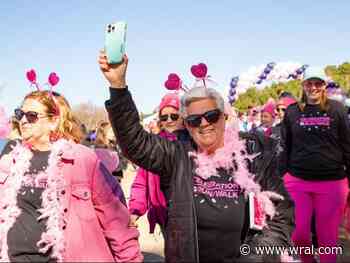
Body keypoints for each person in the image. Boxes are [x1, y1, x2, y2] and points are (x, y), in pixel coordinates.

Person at [99, 52, 294, 262]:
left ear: (224, 116)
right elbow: (135, 143)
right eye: (194, 120)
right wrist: (118, 85)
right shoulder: (177, 155)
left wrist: (253, 258)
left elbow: (280, 218)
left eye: (211, 116)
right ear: (186, 125)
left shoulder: (255, 156)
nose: (204, 124)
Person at [0, 86, 142, 262]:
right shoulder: (8, 162)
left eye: (32, 116)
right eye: (20, 114)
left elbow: (116, 221)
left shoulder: (81, 159)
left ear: (53, 121)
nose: (23, 121)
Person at [280, 67, 350, 263]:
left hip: (332, 183)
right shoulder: (293, 111)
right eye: (309, 83)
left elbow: (347, 145)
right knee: (299, 234)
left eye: (317, 83)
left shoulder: (337, 109)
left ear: (324, 86)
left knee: (327, 238)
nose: (313, 87)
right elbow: (285, 145)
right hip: (297, 181)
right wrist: (282, 175)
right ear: (303, 85)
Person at [128, 92, 182, 235]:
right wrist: (135, 210)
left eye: (174, 115)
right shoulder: (153, 146)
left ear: (183, 116)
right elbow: (141, 182)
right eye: (164, 117)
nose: (169, 120)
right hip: (165, 214)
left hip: (191, 212)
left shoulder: (194, 143)